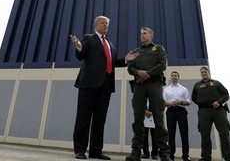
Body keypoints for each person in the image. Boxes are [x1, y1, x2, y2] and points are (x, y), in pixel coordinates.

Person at [70, 15, 139, 160]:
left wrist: (126, 59)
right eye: (102, 23)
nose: (105, 25)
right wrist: (78, 46)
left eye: (107, 23)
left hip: (106, 86)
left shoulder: (110, 44)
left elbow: (111, 63)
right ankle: (80, 149)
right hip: (88, 84)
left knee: (100, 119)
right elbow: (81, 55)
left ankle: (96, 150)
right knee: (84, 117)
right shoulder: (88, 38)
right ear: (95, 25)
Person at [126, 27, 172, 161]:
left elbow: (162, 65)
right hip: (139, 85)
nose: (142, 36)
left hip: (154, 84)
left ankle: (164, 153)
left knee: (158, 117)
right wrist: (138, 73)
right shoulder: (136, 51)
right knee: (138, 119)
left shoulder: (158, 49)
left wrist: (147, 74)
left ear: (151, 35)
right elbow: (130, 68)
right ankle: (135, 153)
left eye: (145, 33)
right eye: (141, 34)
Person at [191, 67, 230, 161]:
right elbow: (194, 98)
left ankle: (229, 157)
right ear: (200, 74)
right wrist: (203, 103)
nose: (204, 73)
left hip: (218, 110)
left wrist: (219, 102)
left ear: (208, 73)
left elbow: (225, 94)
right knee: (204, 134)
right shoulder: (197, 85)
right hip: (204, 111)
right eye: (202, 72)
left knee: (224, 133)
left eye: (205, 72)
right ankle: (206, 156)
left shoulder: (216, 83)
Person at [163, 71, 191, 161]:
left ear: (179, 78)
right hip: (170, 111)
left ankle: (185, 156)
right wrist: (171, 103)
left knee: (184, 134)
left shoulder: (184, 89)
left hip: (181, 111)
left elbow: (188, 102)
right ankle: (171, 156)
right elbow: (163, 103)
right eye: (172, 76)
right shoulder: (166, 90)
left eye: (176, 76)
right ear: (170, 78)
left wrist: (180, 102)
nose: (174, 77)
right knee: (171, 134)